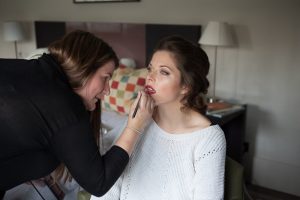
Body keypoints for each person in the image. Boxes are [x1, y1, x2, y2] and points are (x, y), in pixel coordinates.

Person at [0, 30, 154, 199]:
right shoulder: (66, 107)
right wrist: (135, 126)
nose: (107, 91)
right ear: (85, 67)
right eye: (105, 78)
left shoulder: (29, 69)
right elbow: (99, 183)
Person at [92, 35, 226, 200]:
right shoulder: (140, 119)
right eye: (150, 69)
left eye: (163, 72)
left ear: (186, 86)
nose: (150, 77)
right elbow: (111, 184)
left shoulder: (208, 138)